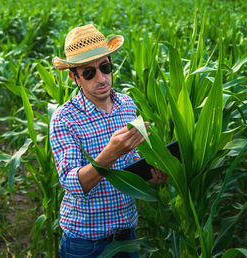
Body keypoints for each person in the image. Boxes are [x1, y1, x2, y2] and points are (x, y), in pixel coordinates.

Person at [50, 24, 168, 257]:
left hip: (127, 236)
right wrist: (109, 154)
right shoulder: (64, 118)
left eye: (105, 67)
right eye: (89, 73)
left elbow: (132, 162)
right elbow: (71, 183)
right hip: (85, 244)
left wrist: (152, 175)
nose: (102, 78)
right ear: (74, 77)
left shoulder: (127, 105)